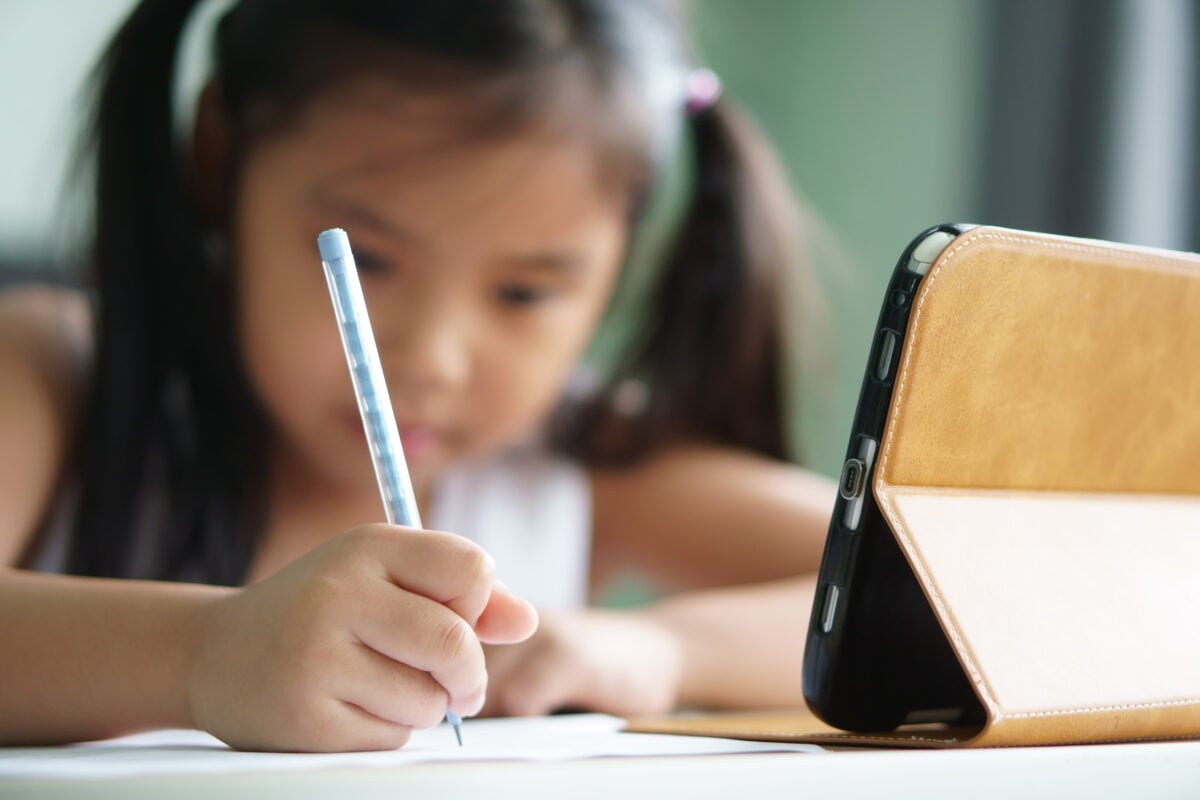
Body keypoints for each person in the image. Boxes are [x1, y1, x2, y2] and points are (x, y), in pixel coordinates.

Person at [0, 0, 835, 752]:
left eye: (524, 292)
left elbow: (946, 590)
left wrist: (661, 652)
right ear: (220, 158)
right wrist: (204, 655)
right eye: (367, 260)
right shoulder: (54, 374)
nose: (432, 359)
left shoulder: (577, 461)